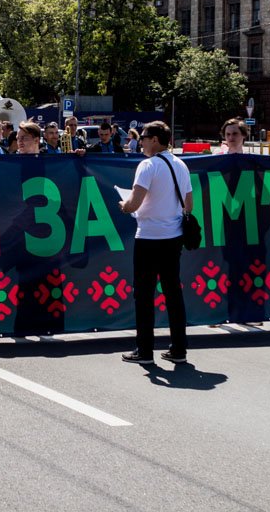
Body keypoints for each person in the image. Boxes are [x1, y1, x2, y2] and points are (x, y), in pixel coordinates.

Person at [119, 121, 191, 365]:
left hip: (149, 237)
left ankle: (145, 351)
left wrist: (124, 205)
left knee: (144, 295)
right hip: (173, 236)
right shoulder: (180, 165)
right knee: (173, 293)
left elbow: (134, 203)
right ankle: (179, 349)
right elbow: (188, 205)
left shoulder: (147, 165)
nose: (141, 140)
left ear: (157, 139)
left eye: (145, 136)